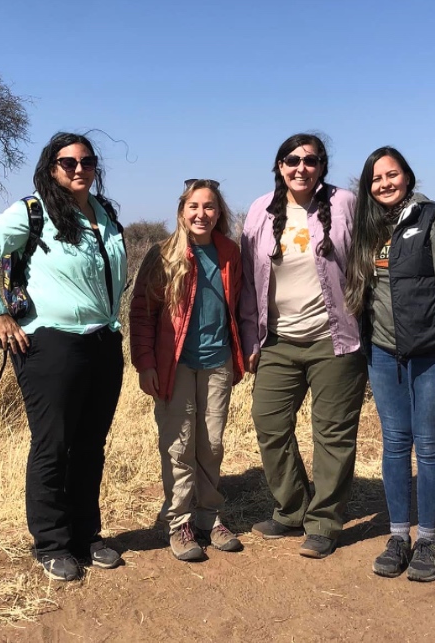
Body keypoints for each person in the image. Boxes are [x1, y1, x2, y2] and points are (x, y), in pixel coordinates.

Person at [0, 132, 128, 582]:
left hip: (104, 340)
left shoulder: (105, 213)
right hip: (51, 343)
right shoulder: (33, 212)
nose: (78, 169)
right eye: (67, 162)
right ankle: (51, 542)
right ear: (51, 167)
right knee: (54, 444)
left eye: (87, 161)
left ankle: (86, 535)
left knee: (91, 444)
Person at [346, 146, 435, 582]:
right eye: (376, 178)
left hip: (433, 355)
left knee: (429, 446)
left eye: (392, 174)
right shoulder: (368, 230)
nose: (384, 183)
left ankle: (428, 540)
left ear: (408, 176)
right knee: (395, 445)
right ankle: (398, 535)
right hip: (384, 356)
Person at [239, 133, 368, 559]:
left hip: (335, 338)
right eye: (292, 160)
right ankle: (292, 508)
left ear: (322, 166)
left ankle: (326, 521)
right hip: (277, 340)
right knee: (269, 424)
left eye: (310, 161)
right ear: (280, 165)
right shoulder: (260, 210)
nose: (301, 168)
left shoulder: (346, 203)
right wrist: (249, 337)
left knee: (332, 434)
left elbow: (368, 258)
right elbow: (246, 280)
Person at [129, 179, 245, 562]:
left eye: (209, 207)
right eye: (194, 206)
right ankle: (179, 522)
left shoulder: (230, 253)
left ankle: (210, 517)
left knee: (211, 444)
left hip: (217, 362)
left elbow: (240, 307)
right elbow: (142, 314)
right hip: (174, 365)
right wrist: (145, 363)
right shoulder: (163, 255)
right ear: (182, 212)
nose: (202, 214)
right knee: (179, 446)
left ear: (219, 213)